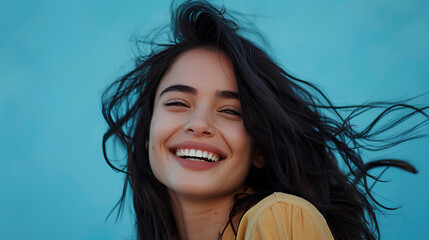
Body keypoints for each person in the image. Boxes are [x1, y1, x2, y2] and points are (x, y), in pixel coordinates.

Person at [101, 1, 427, 239]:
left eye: (231, 110)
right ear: (147, 136)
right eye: (177, 102)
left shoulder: (280, 219)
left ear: (259, 150)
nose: (199, 124)